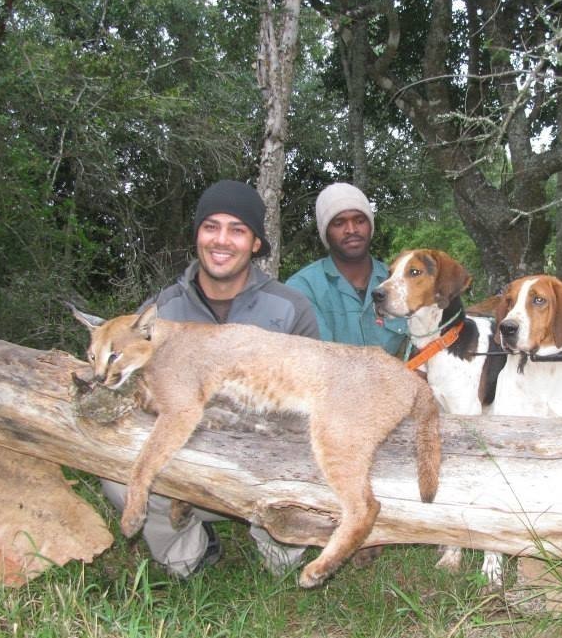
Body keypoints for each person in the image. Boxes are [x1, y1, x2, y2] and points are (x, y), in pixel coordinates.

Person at [102, 179, 319, 578]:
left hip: (266, 459)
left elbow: (313, 402)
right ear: (197, 234)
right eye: (211, 226)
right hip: (189, 456)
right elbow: (133, 388)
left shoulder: (290, 308)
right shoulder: (160, 310)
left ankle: (277, 547)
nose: (222, 240)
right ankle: (190, 553)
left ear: (255, 243)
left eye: (237, 230)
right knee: (117, 477)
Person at [285, 182, 407, 354]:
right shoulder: (302, 288)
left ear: (370, 226)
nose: (351, 230)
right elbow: (316, 363)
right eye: (339, 223)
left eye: (359, 220)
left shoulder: (400, 281)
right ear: (325, 232)